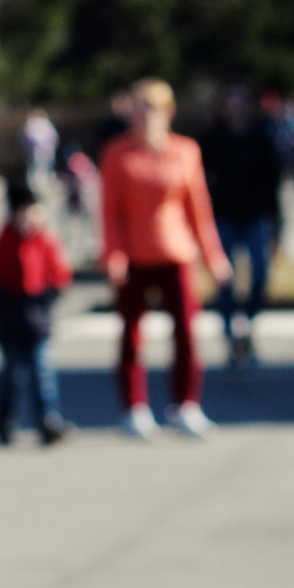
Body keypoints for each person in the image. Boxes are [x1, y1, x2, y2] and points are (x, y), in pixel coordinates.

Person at [100, 78, 230, 439]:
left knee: (187, 333)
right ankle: (133, 408)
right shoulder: (117, 153)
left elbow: (198, 210)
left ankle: (185, 405)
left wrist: (213, 255)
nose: (143, 118)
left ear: (167, 113)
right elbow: (110, 211)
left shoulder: (185, 152)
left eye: (150, 109)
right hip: (134, 255)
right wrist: (113, 254)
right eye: (137, 110)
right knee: (131, 335)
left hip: (176, 253)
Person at [0, 174, 74, 446]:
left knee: (43, 372)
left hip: (38, 317)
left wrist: (50, 294)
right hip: (10, 318)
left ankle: (48, 421)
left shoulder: (45, 240)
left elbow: (61, 272)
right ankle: (5, 421)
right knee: (12, 374)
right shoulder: (4, 241)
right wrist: (1, 297)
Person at [201, 91, 284, 366]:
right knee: (225, 279)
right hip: (223, 217)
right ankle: (230, 334)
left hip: (254, 217)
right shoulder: (213, 138)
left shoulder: (261, 138)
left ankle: (246, 324)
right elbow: (199, 184)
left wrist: (278, 227)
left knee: (260, 275)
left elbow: (272, 185)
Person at [22, 108, 59, 186]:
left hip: (37, 150)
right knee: (44, 166)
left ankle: (39, 182)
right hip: (47, 149)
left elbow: (29, 136)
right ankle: (44, 181)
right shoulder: (47, 123)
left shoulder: (32, 123)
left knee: (38, 166)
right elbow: (54, 137)